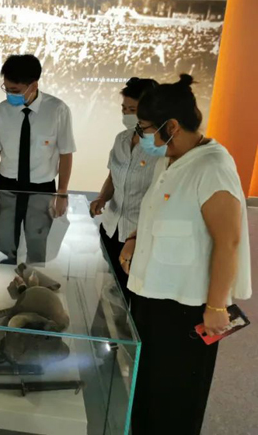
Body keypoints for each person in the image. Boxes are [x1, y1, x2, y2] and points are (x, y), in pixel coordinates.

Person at [119, 75, 252, 435]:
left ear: (172, 126)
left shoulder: (213, 168)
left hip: (187, 308)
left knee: (176, 398)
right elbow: (158, 213)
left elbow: (228, 242)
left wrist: (217, 307)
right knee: (148, 388)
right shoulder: (172, 159)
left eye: (146, 128)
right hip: (153, 297)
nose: (142, 137)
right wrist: (133, 238)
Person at [0, 55, 76, 264]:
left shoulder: (57, 110)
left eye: (15, 90)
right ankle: (5, 275)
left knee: (38, 241)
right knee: (5, 240)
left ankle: (32, 279)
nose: (10, 94)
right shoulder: (1, 111)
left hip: (41, 188)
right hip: (7, 185)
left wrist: (62, 192)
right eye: (6, 89)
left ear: (33, 85)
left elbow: (66, 153)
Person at [89, 77, 159, 301]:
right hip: (112, 228)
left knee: (136, 295)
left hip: (140, 236)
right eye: (124, 109)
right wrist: (102, 197)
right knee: (112, 290)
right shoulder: (121, 139)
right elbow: (113, 176)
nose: (127, 114)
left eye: (132, 110)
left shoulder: (162, 148)